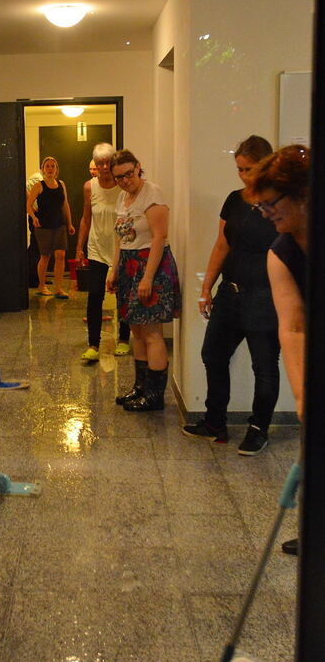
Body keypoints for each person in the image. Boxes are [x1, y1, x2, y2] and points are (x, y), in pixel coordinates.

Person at [183, 136, 280, 455]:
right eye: (239, 169)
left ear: (266, 166)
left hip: (266, 298)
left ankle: (258, 428)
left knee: (264, 366)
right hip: (231, 292)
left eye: (249, 169)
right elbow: (222, 245)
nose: (243, 175)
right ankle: (214, 422)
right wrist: (205, 287)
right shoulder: (234, 200)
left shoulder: (283, 204)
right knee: (213, 354)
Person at [252, 144, 309, 555]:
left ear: (304, 195)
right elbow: (292, 326)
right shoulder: (282, 252)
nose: (267, 213)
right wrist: (303, 393)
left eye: (271, 204)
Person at [108, 149, 181, 411]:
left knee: (151, 332)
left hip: (151, 265)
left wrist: (148, 277)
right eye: (119, 177)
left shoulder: (153, 193)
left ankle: (154, 395)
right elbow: (121, 238)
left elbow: (159, 237)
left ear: (138, 168)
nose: (125, 180)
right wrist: (113, 269)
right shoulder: (123, 198)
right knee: (136, 330)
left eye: (129, 174)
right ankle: (140, 388)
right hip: (129, 266)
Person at [76, 143, 131, 362]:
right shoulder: (89, 187)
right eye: (100, 163)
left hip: (122, 249)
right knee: (95, 296)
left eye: (108, 161)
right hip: (97, 248)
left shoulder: (123, 186)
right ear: (95, 165)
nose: (105, 166)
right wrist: (79, 247)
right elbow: (86, 218)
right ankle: (93, 344)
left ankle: (124, 339)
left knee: (123, 296)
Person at [27, 156, 75, 298]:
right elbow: (29, 205)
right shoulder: (39, 185)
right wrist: (34, 218)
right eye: (47, 166)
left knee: (60, 255)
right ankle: (41, 286)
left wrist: (69, 223)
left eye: (52, 166)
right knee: (45, 256)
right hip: (43, 226)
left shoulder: (61, 185)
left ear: (57, 170)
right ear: (42, 169)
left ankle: (58, 288)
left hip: (59, 225)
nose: (50, 168)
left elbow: (65, 205)